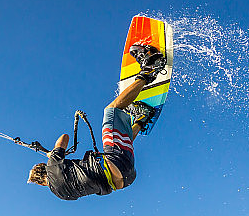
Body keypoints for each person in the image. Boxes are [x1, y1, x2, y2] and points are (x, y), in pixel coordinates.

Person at [27, 44, 166, 200]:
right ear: (44, 169)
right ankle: (149, 70)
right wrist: (54, 153)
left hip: (126, 178)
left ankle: (142, 119)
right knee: (111, 110)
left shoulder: (62, 195)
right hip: (115, 162)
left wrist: (54, 158)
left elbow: (78, 178)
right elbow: (64, 138)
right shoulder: (52, 167)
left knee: (117, 143)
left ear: (41, 184)